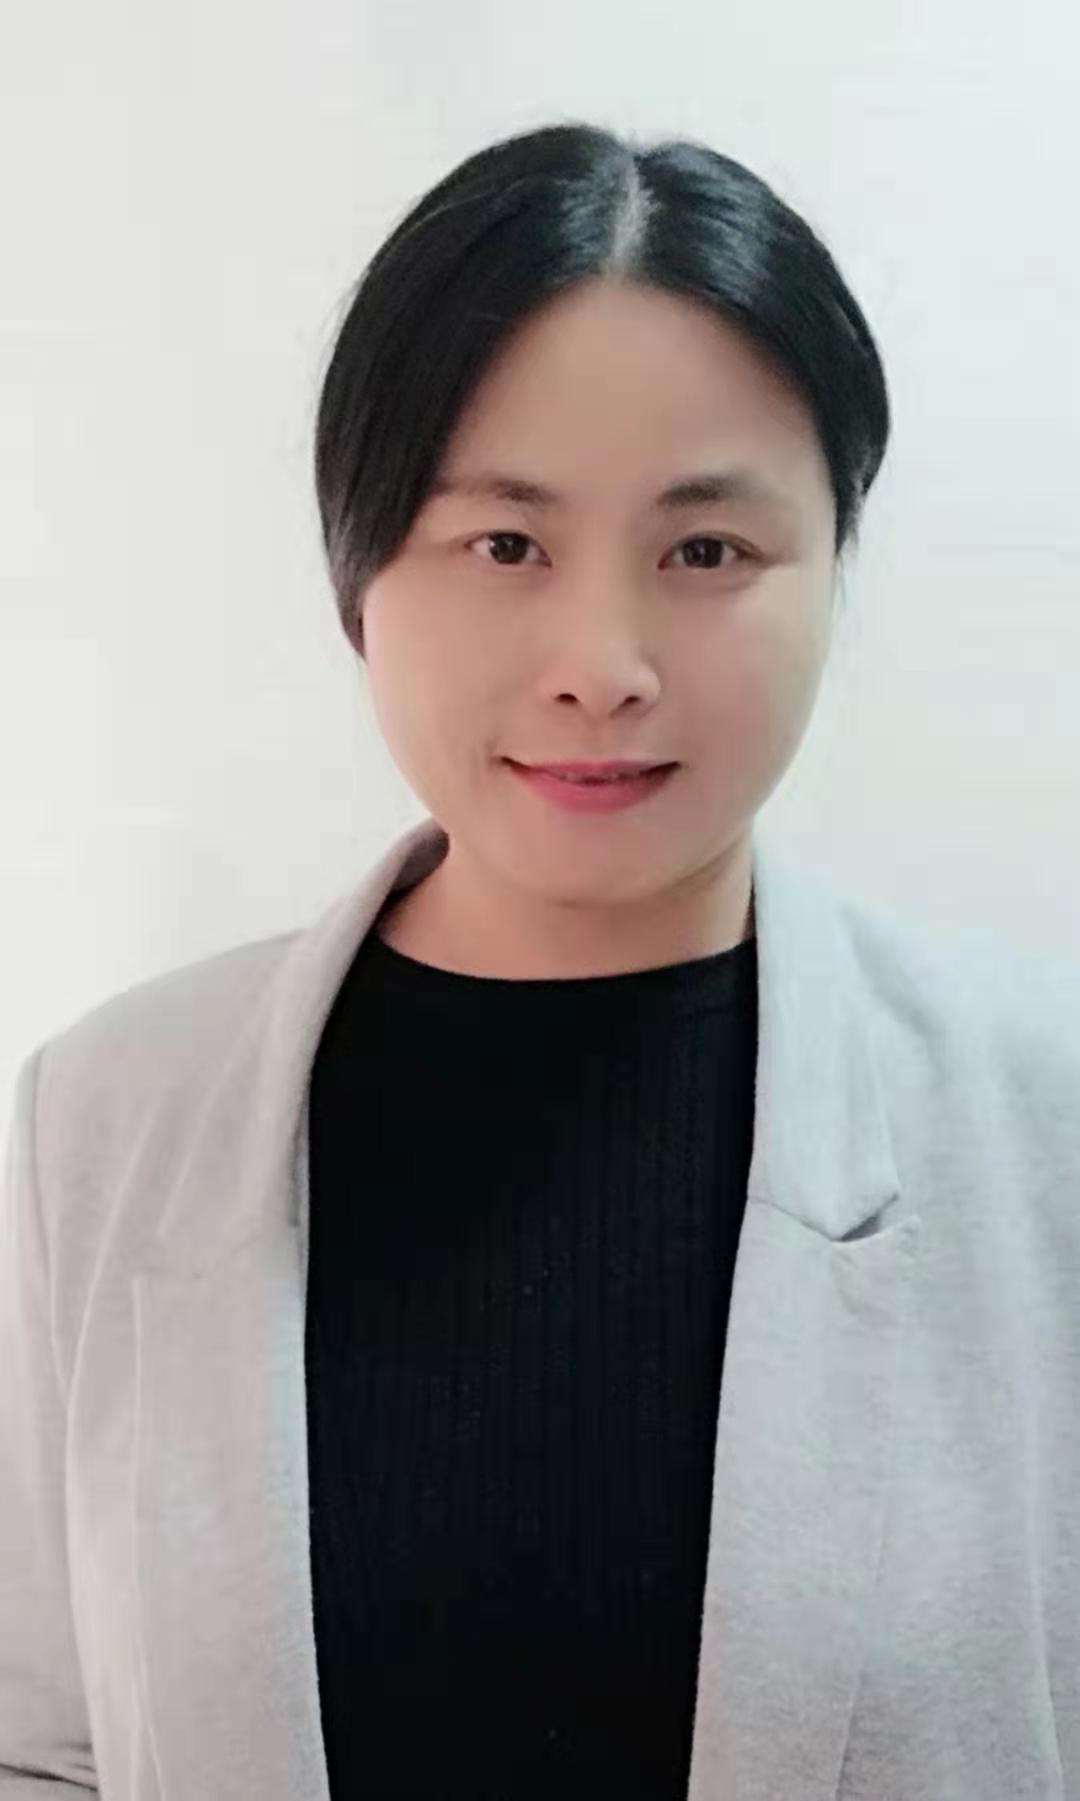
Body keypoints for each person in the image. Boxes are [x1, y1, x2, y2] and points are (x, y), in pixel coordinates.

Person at [2, 118, 1078, 1801]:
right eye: (505, 543)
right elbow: (42, 1741)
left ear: (834, 566)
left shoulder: (1042, 1118)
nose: (603, 663)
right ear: (361, 565)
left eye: (706, 550)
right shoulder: (104, 1119)